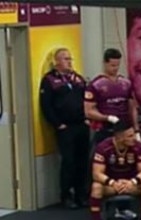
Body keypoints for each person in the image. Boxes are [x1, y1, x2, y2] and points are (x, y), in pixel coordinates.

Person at [88, 121, 141, 220]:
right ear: (119, 137)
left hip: (131, 184)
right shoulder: (103, 147)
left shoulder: (138, 147)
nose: (133, 138)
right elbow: (97, 174)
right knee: (96, 187)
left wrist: (132, 182)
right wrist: (113, 183)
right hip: (111, 185)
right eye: (130, 136)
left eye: (133, 134)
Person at [39, 48, 89, 209]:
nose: (69, 61)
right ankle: (66, 195)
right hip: (65, 127)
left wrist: (88, 118)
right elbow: (46, 105)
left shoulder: (78, 79)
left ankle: (81, 194)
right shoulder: (50, 80)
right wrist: (57, 124)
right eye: (66, 59)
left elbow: (88, 99)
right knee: (68, 161)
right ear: (56, 61)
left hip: (82, 125)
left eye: (70, 58)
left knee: (83, 161)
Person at [85, 48, 140, 145]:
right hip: (105, 129)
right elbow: (89, 111)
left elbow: (132, 107)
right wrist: (107, 118)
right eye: (112, 65)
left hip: (124, 128)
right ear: (105, 63)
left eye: (118, 65)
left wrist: (136, 130)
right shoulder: (95, 84)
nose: (115, 68)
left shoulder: (126, 83)